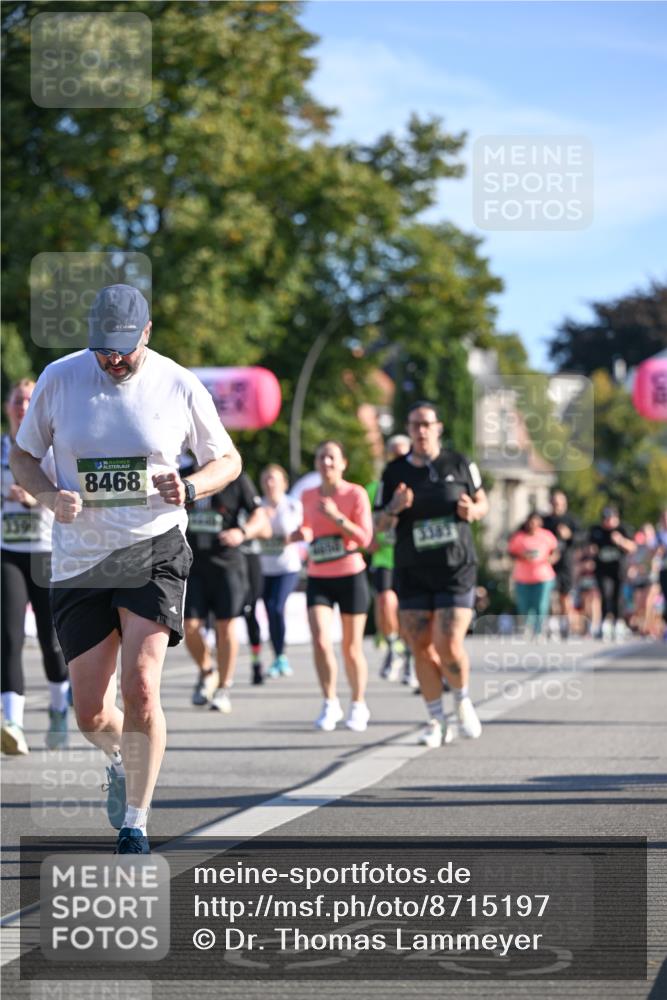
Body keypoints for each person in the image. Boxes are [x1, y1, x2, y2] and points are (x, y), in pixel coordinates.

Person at [10, 284, 241, 853]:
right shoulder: (61, 378)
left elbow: (228, 460)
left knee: (140, 687)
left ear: (146, 332)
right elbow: (23, 455)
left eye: (122, 349)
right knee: (92, 714)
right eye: (101, 350)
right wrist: (48, 495)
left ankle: (136, 821)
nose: (112, 361)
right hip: (81, 559)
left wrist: (189, 486)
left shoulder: (179, 383)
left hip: (154, 547)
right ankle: (119, 757)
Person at [374, 401, 488, 748]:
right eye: (414, 425)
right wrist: (394, 508)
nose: (420, 431)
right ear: (408, 430)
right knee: (420, 646)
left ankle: (463, 698)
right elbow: (379, 526)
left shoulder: (459, 463)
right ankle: (436, 719)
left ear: (438, 427)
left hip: (456, 567)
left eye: (426, 424)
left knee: (448, 642)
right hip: (412, 568)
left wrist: (473, 510)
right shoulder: (393, 472)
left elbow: (483, 503)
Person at [2, 379, 70, 755]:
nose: (23, 405)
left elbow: (65, 494)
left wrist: (32, 496)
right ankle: (12, 721)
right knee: (9, 638)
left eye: (29, 400)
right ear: (7, 406)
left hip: (45, 551)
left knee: (51, 640)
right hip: (7, 551)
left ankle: (59, 710)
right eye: (17, 399)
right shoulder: (0, 448)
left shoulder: (51, 449)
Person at [291, 441, 373, 732]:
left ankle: (359, 704)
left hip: (350, 574)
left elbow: (365, 538)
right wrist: (300, 533)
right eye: (321, 457)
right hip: (319, 575)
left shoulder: (355, 494)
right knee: (322, 641)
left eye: (331, 457)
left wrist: (337, 517)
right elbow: (309, 529)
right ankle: (329, 702)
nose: (326, 462)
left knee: (351, 648)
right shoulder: (308, 494)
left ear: (343, 463)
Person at [183, 469, 270, 709]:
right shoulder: (183, 474)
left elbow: (260, 516)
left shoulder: (235, 477)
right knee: (189, 626)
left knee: (226, 625)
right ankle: (207, 671)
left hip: (227, 564)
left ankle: (223, 688)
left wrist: (242, 533)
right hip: (193, 564)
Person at [366, 435, 412, 683]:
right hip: (384, 556)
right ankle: (394, 646)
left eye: (402, 453)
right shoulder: (376, 488)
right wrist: (369, 538)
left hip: (409, 557)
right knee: (385, 601)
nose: (397, 457)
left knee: (407, 610)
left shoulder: (418, 486)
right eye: (393, 453)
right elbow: (363, 520)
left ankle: (410, 655)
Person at [259, 464, 303, 678]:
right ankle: (277, 656)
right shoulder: (258, 506)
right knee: (269, 610)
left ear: (284, 483)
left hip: (287, 567)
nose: (269, 483)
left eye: (274, 479)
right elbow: (250, 532)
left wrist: (271, 520)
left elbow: (295, 534)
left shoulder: (293, 505)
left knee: (277, 607)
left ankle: (282, 657)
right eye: (266, 479)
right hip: (264, 568)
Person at [507, 512, 560, 637]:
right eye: (530, 522)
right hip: (523, 577)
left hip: (543, 576)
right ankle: (527, 627)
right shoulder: (519, 537)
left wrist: (552, 559)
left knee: (541, 604)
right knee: (524, 605)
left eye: (535, 522)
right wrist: (522, 556)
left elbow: (556, 551)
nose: (532, 525)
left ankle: (539, 629)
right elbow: (511, 553)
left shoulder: (546, 536)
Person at [589, 506, 636, 640]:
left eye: (611, 518)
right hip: (603, 569)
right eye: (605, 518)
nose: (608, 521)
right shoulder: (597, 531)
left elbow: (633, 547)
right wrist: (591, 550)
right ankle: (605, 621)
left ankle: (619, 622)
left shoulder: (623, 529)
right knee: (605, 593)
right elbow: (589, 547)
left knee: (618, 595)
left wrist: (620, 541)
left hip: (619, 569)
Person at [542, 489, 580, 638]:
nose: (557, 506)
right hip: (548, 563)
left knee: (565, 595)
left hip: (566, 563)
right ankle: (552, 624)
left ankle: (565, 625)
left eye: (560, 503)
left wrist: (569, 535)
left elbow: (582, 539)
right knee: (551, 595)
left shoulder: (571, 520)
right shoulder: (544, 521)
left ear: (565, 504)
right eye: (554, 503)